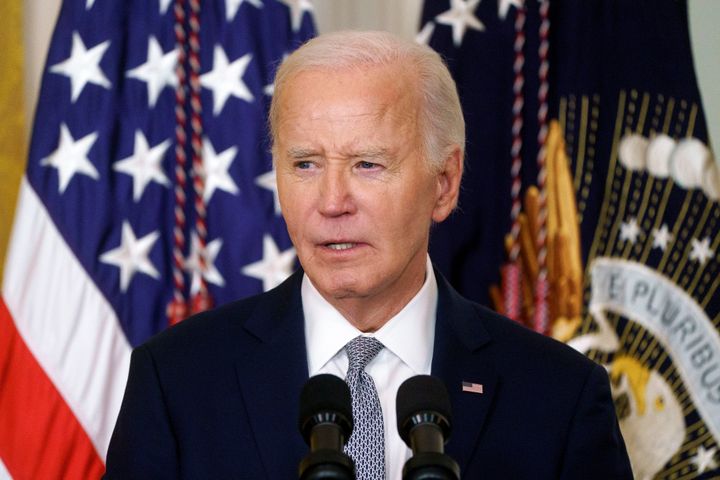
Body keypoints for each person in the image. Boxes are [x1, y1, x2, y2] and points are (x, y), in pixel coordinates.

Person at [104, 30, 632, 479]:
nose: (332, 203)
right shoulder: (176, 382)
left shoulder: (559, 397)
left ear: (444, 185)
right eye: (306, 164)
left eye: (368, 165)